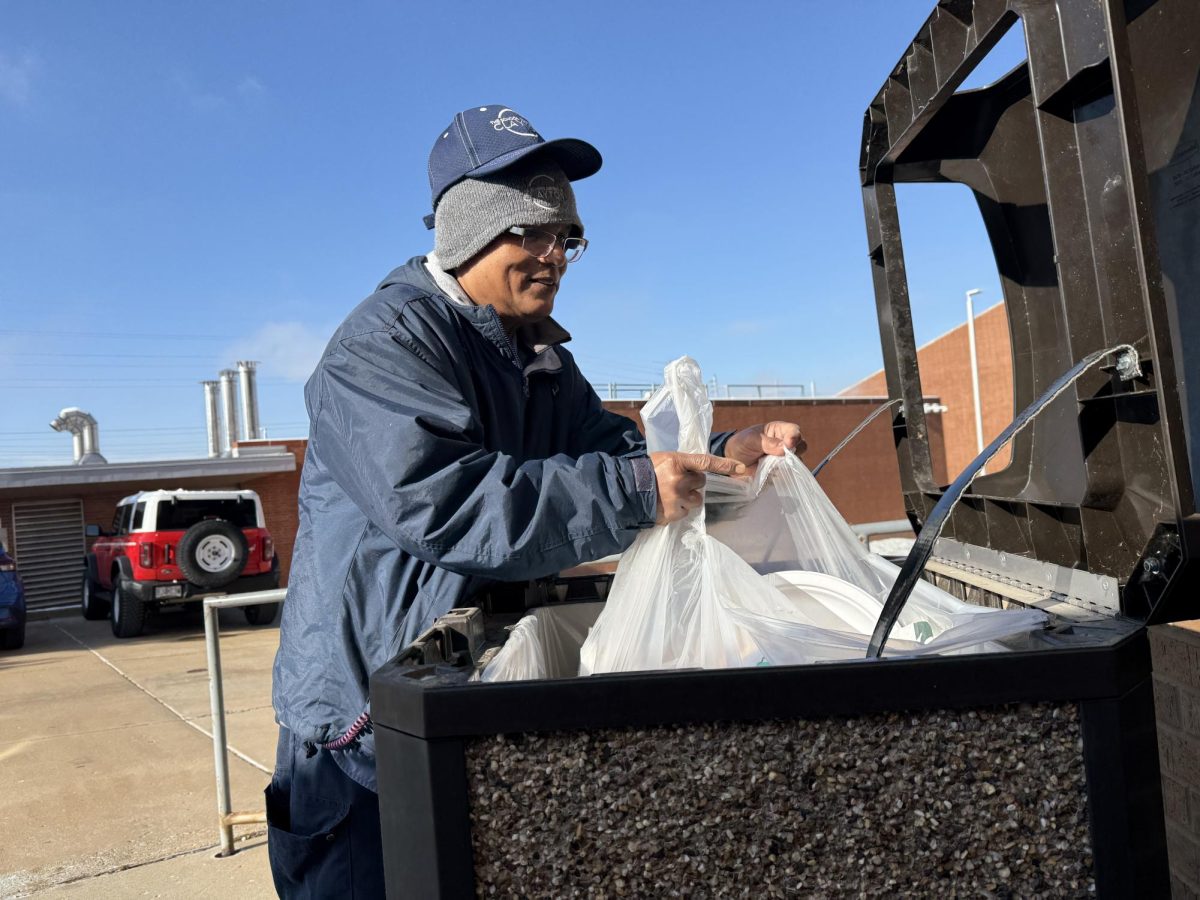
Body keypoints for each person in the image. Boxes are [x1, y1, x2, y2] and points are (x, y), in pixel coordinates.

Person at [266, 104, 806, 897]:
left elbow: (623, 457)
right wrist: (633, 490)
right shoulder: (382, 346)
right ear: (468, 230)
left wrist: (727, 458)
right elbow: (446, 503)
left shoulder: (541, 358)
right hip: (358, 732)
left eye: (569, 239)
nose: (555, 256)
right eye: (534, 232)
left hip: (454, 699)